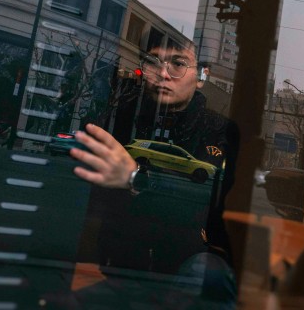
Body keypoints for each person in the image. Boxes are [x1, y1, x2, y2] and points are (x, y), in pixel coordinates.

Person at [69, 41, 238, 303]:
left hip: (185, 267)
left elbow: (203, 199)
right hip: (120, 269)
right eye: (152, 62)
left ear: (202, 76)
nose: (163, 73)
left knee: (207, 273)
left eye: (178, 64)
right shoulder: (120, 116)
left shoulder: (219, 131)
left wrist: (136, 177)